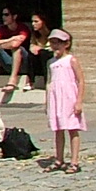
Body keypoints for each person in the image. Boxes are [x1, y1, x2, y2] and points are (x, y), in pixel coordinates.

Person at [40, 28, 85, 173]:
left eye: (58, 43)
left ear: (66, 44)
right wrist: (47, 101)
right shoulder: (51, 62)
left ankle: (74, 161)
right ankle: (59, 159)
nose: (55, 46)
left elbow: (81, 80)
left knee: (72, 129)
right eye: (52, 42)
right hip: (56, 98)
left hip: (69, 97)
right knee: (58, 129)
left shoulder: (71, 60)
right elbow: (49, 81)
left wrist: (79, 101)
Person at [0, 8, 29, 91]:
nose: (4, 17)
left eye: (6, 15)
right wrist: (9, 40)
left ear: (14, 16)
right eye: (3, 15)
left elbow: (15, 44)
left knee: (17, 49)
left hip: (24, 64)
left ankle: (12, 80)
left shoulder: (22, 28)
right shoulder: (2, 29)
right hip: (8, 63)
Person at [17, 12, 54, 91]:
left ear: (43, 22)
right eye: (32, 21)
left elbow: (52, 47)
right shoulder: (35, 34)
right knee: (31, 55)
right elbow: (32, 46)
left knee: (44, 53)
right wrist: (35, 48)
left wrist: (40, 48)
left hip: (50, 58)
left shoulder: (52, 32)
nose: (33, 24)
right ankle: (31, 82)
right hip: (39, 59)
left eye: (36, 21)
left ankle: (47, 81)